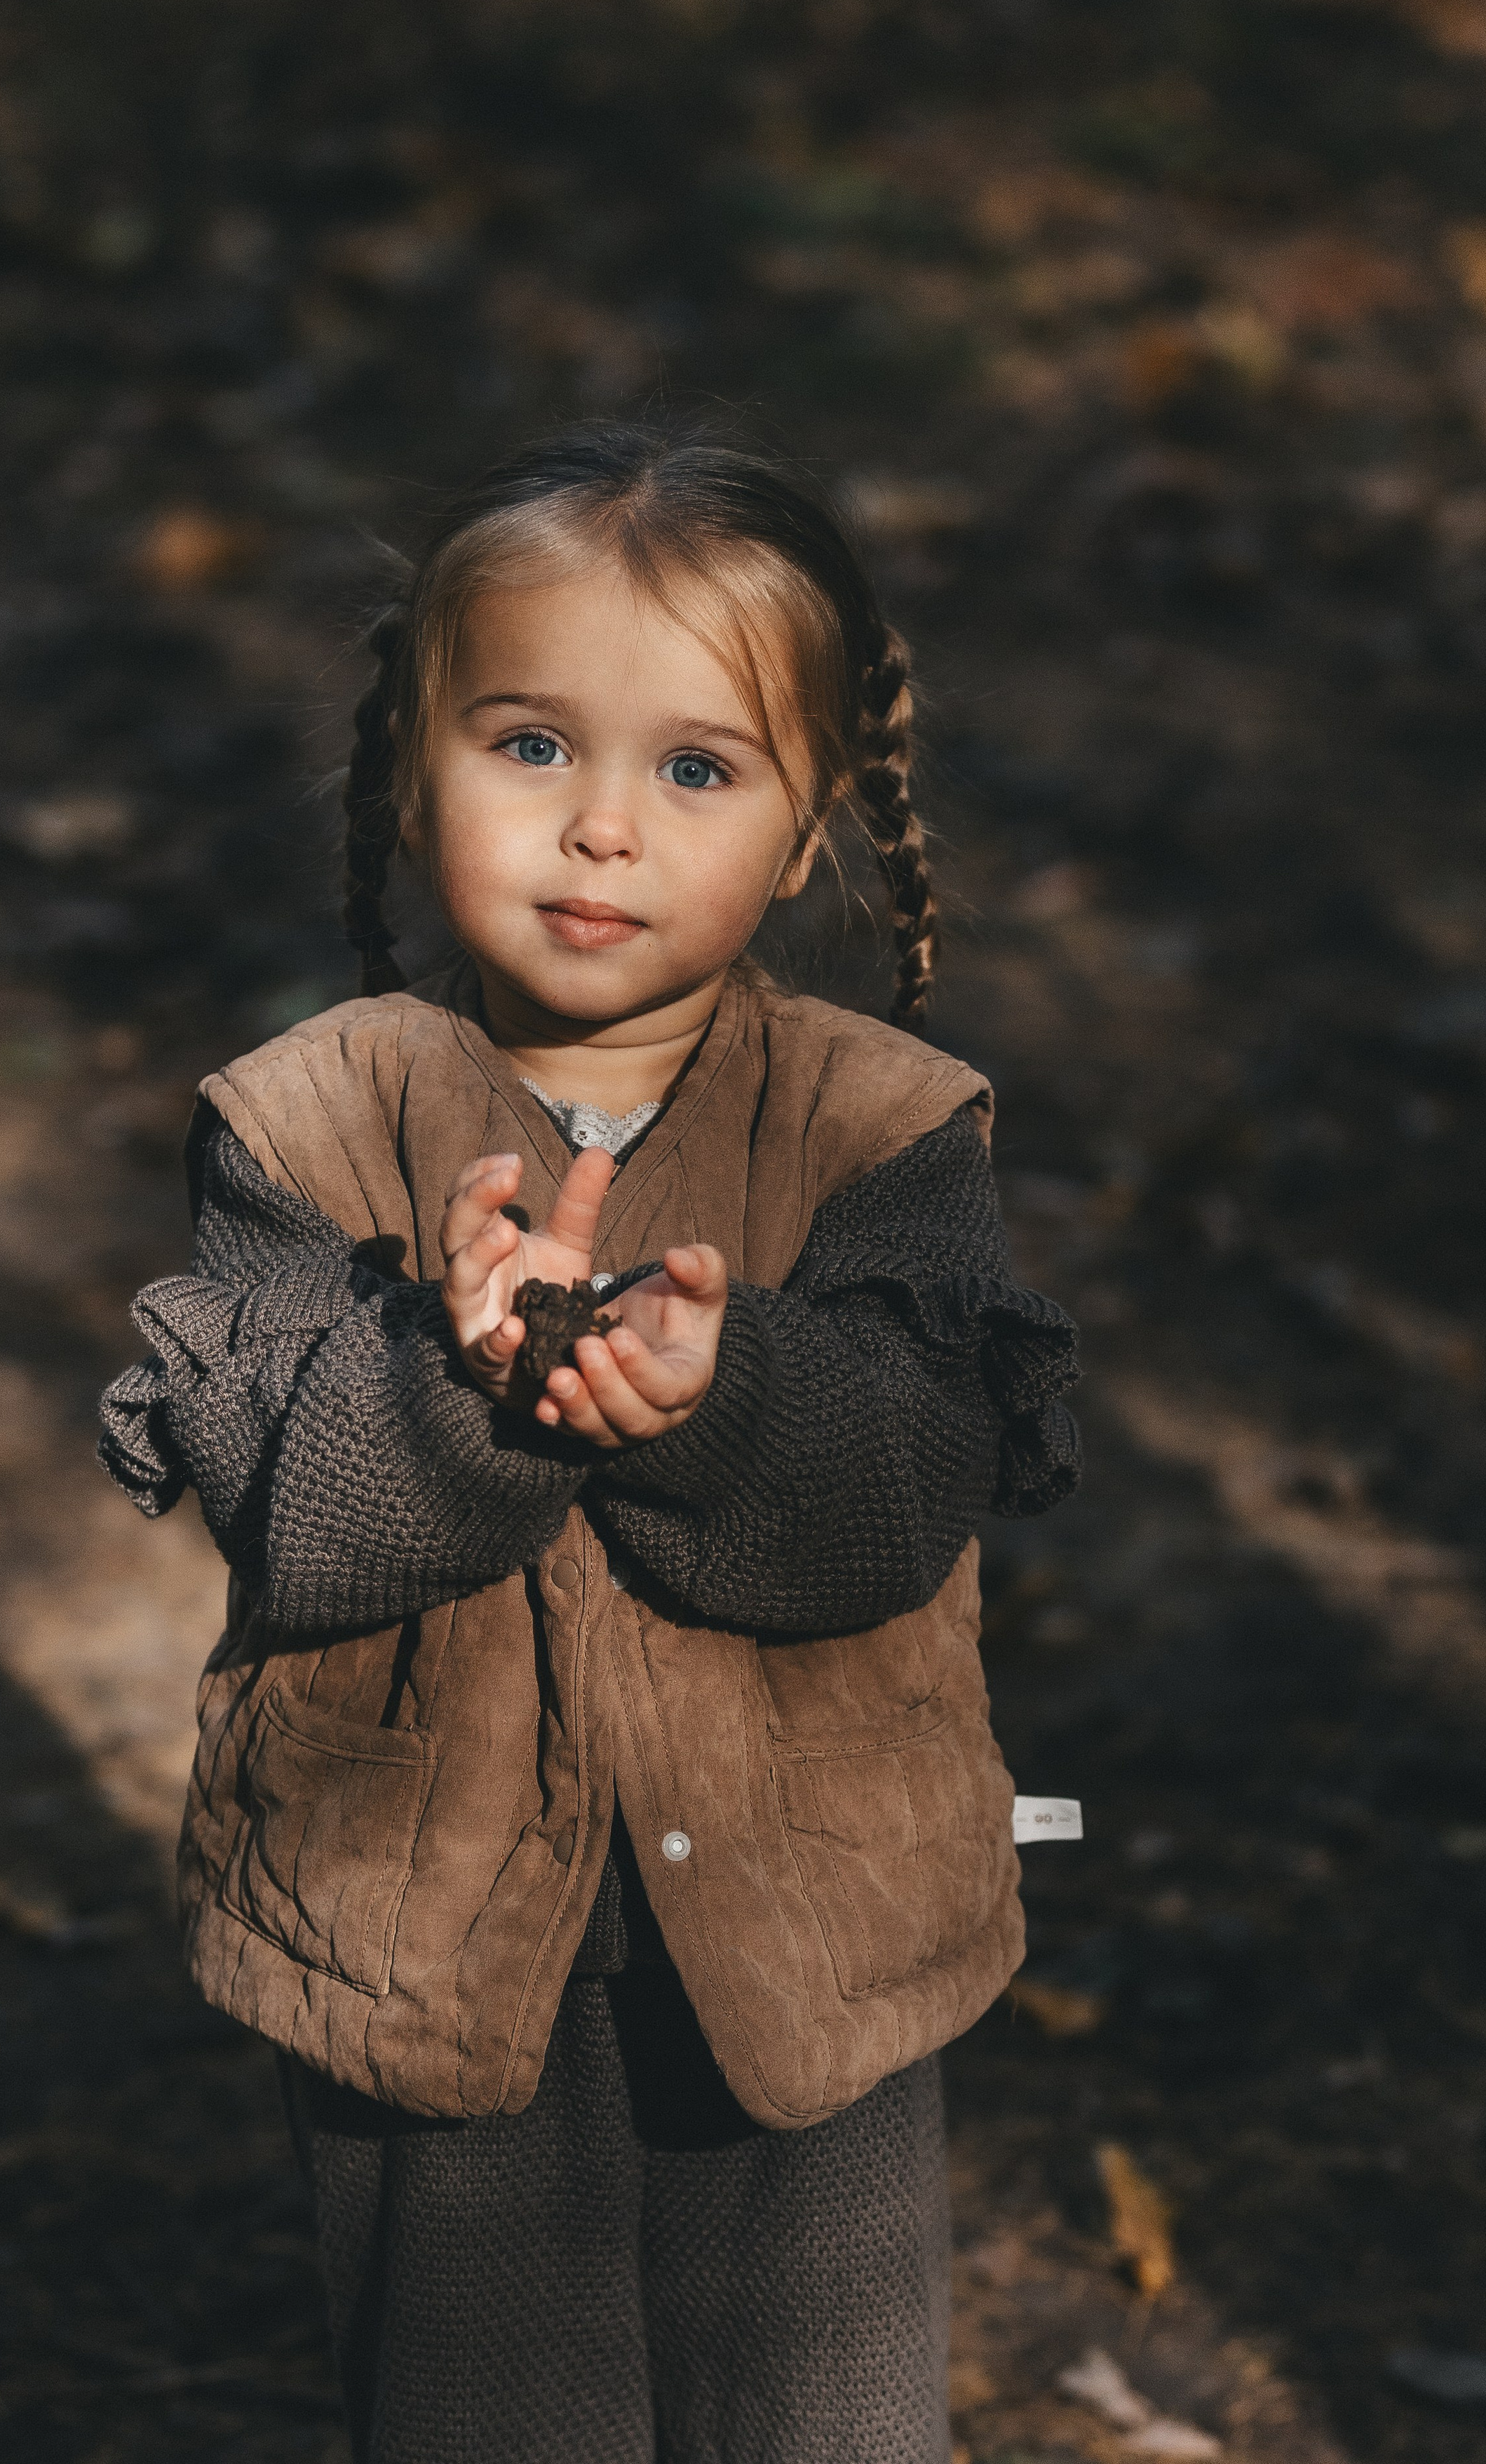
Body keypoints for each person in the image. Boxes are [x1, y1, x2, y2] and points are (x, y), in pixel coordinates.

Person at [98, 421, 1081, 2464]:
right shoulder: (306, 1127)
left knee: (815, 2420)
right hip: (431, 1950)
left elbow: (900, 1494)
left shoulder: (883, 1130)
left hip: (811, 1941)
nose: (603, 829)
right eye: (532, 745)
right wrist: (446, 1385)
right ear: (415, 770)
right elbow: (285, 1507)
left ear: (805, 835)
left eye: (697, 769)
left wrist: (729, 1400)